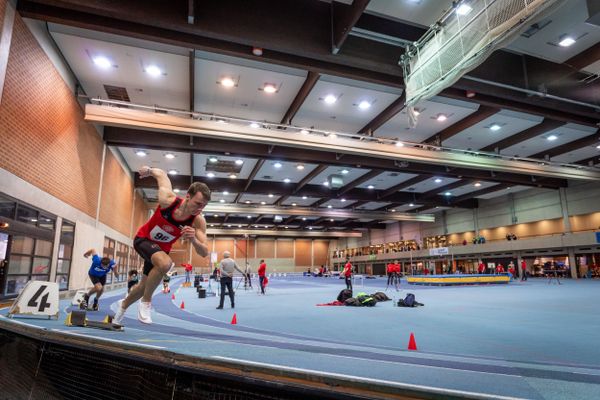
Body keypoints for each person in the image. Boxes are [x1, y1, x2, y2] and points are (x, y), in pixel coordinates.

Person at [113, 166, 210, 325]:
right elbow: (162, 175)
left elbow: (204, 252)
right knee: (166, 263)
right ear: (188, 196)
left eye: (203, 206)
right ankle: (146, 303)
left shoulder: (198, 221)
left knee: (144, 286)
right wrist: (149, 170)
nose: (199, 209)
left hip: (159, 251)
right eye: (197, 203)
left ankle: (123, 306)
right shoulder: (168, 200)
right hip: (143, 239)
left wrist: (193, 240)